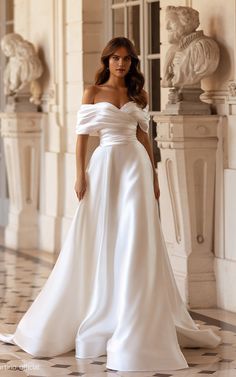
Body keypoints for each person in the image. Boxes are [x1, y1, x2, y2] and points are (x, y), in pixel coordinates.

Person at [0, 37, 221, 372]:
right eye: (115, 58)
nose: (121, 64)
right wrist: (80, 175)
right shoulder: (93, 92)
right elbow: (82, 139)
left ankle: (135, 316)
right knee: (101, 234)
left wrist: (155, 176)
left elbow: (145, 137)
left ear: (132, 63)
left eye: (127, 59)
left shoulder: (137, 95)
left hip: (136, 166)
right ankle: (98, 309)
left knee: (135, 236)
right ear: (107, 61)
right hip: (104, 166)